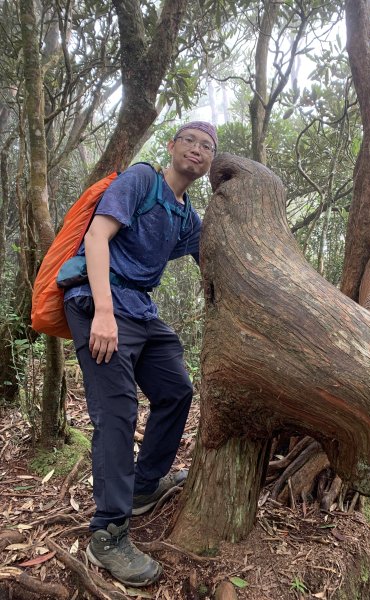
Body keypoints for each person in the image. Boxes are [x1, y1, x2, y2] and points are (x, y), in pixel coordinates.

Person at [63, 122, 218, 587]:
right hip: (99, 300)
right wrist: (104, 315)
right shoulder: (141, 181)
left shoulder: (187, 216)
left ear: (210, 163)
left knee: (176, 389)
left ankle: (145, 485)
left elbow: (214, 256)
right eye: (189, 140)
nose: (197, 148)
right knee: (117, 413)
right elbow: (96, 238)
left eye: (207, 146)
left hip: (142, 310)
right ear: (171, 147)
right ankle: (107, 535)